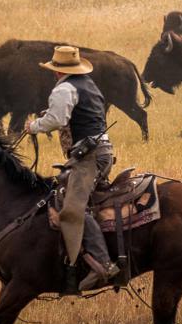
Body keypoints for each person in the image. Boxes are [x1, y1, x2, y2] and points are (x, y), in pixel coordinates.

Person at [26, 45, 121, 292]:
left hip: (88, 158)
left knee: (72, 208)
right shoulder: (88, 84)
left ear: (57, 71)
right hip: (102, 152)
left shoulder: (64, 89)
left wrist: (34, 126)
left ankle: (103, 264)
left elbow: (57, 120)